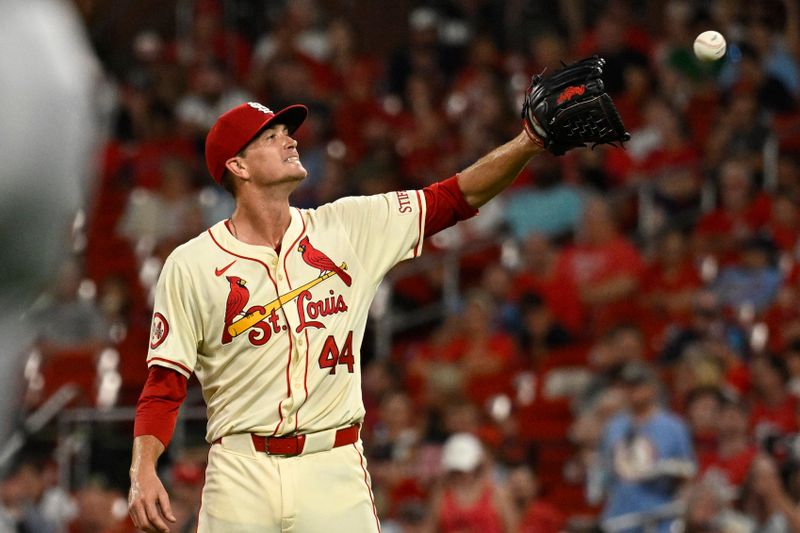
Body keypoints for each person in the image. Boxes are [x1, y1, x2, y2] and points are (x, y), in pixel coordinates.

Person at [127, 97, 550, 533]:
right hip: (240, 470)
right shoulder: (191, 264)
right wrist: (143, 469)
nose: (290, 141)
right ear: (239, 166)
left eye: (287, 132)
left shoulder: (347, 226)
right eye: (271, 137)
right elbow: (164, 385)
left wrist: (529, 142)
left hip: (333, 463)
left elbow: (454, 197)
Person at [589, 361, 696, 533]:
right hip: (620, 516)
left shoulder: (673, 426)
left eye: (637, 385)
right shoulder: (614, 426)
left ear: (652, 387)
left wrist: (666, 470)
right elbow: (604, 468)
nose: (632, 392)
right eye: (627, 387)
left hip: (659, 515)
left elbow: (688, 472)